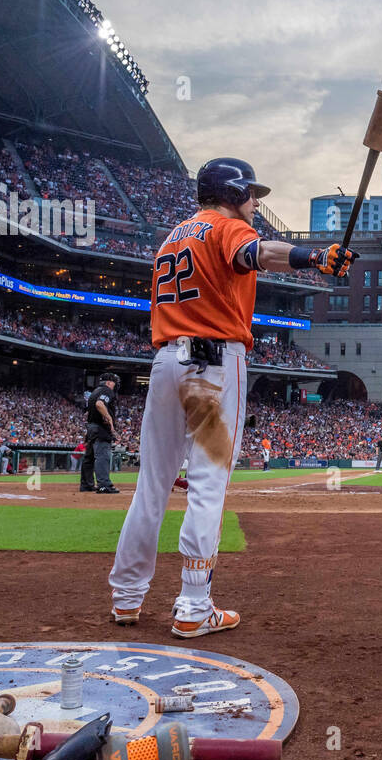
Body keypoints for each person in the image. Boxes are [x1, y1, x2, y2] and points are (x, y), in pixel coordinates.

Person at [107, 157, 354, 637]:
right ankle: (194, 606)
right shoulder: (224, 227)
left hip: (164, 364)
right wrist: (316, 258)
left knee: (150, 487)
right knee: (207, 485)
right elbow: (256, 254)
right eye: (252, 193)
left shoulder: (171, 237)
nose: (257, 202)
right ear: (232, 190)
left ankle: (126, 598)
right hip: (214, 363)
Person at [80, 373, 121, 493]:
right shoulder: (106, 391)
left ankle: (86, 485)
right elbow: (99, 404)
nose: (116, 385)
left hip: (91, 428)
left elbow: (87, 412)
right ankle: (104, 485)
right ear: (108, 383)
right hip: (100, 429)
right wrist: (109, 419)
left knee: (89, 458)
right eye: (114, 382)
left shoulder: (95, 392)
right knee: (102, 456)